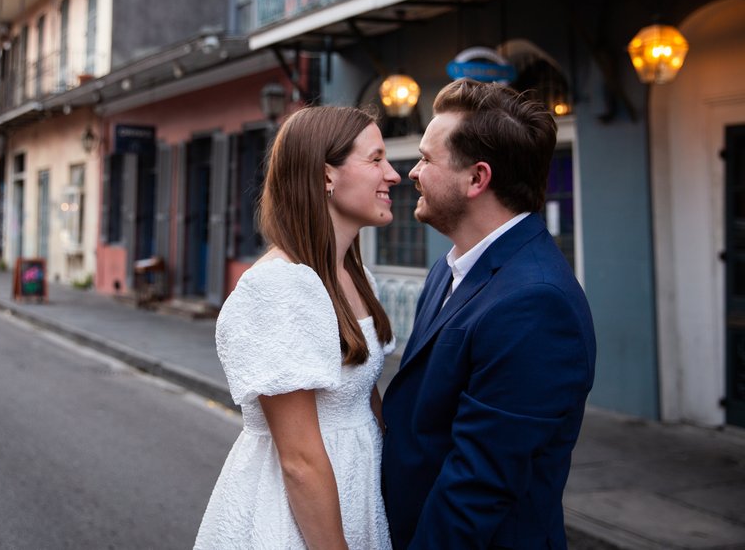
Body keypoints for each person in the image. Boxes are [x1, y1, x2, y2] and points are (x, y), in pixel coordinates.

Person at [381, 79, 596, 548]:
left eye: (426, 159)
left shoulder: (536, 302)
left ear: (477, 179)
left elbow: (478, 486)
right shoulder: (449, 267)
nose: (411, 172)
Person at [195, 106, 401, 549]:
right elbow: (300, 461)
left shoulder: (357, 277)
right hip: (295, 517)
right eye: (376, 159)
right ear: (327, 175)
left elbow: (365, 399)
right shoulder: (279, 286)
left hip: (356, 493)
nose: (393, 174)